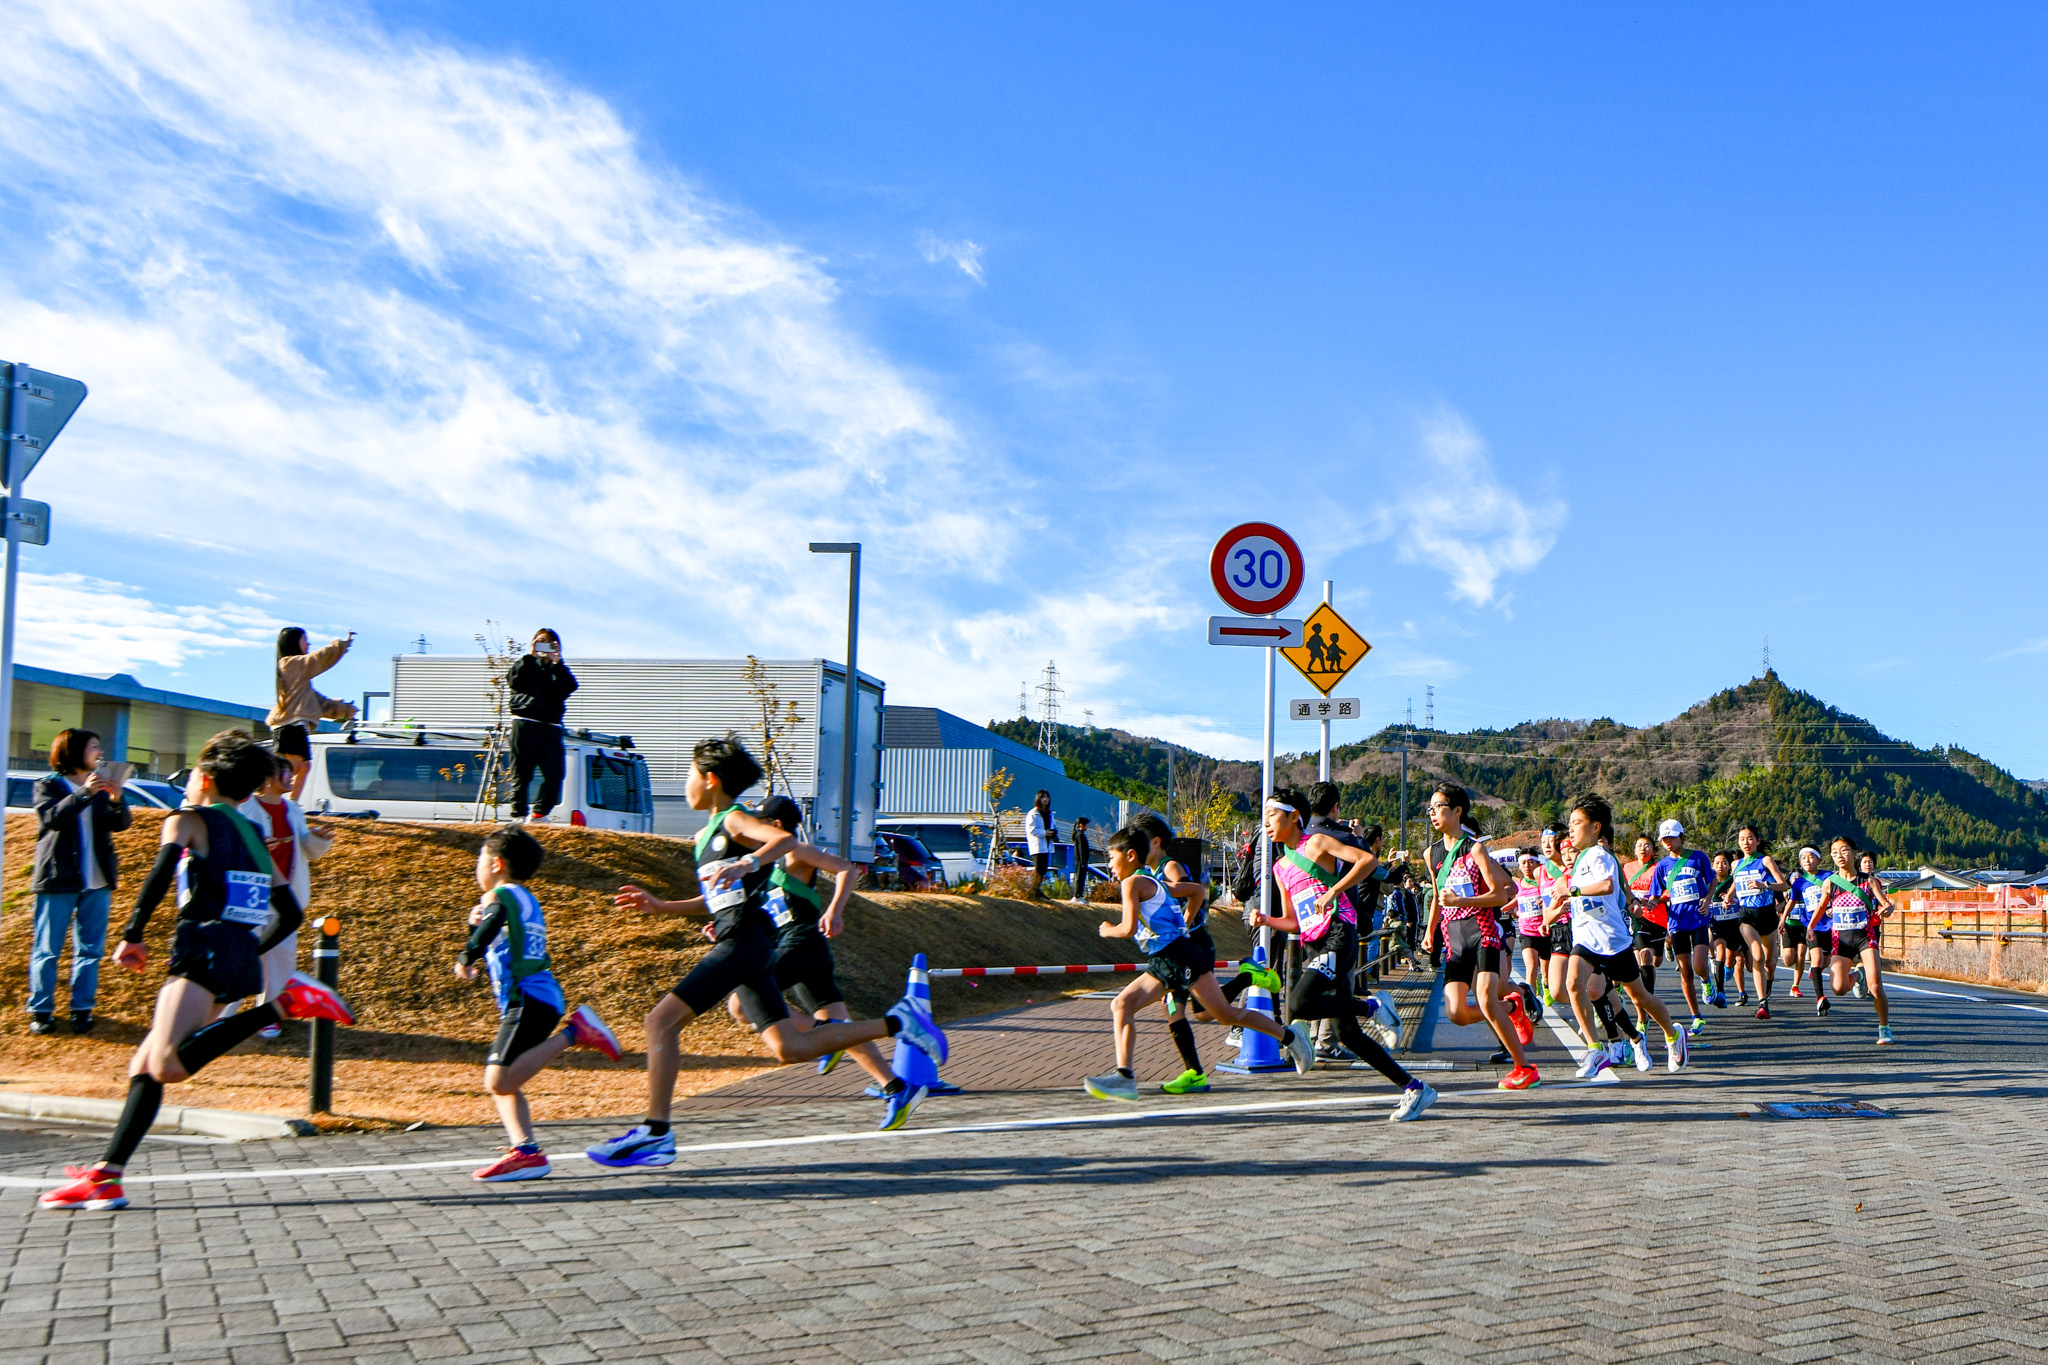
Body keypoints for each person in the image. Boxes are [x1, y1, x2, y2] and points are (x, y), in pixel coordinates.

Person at [37, 730, 357, 1213]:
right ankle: (107, 1176)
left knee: (163, 1064)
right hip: (232, 956)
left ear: (203, 778)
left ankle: (284, 1003)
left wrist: (133, 934)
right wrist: (251, 948)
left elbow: (161, 872)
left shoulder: (187, 819)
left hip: (201, 950)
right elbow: (288, 914)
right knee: (144, 1066)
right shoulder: (252, 833)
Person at [589, 738, 946, 1168]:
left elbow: (781, 841)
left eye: (687, 774)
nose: (684, 784)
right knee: (789, 1049)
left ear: (710, 779)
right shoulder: (703, 836)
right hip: (747, 941)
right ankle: (899, 1021)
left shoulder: (734, 819)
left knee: (660, 1021)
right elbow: (715, 897)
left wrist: (748, 862)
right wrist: (662, 906)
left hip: (746, 942)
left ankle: (656, 1132)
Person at [1083, 825, 1312, 1102]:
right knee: (1122, 1004)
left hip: (1181, 957)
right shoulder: (1153, 880)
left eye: (1110, 857)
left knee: (1224, 1015)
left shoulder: (1134, 882)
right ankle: (1125, 1076)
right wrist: (1183, 923)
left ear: (1130, 855)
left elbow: (1128, 928)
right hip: (1164, 961)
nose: (1108, 864)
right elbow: (1196, 892)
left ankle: (1290, 1037)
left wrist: (1107, 928)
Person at [746, 795, 926, 1130]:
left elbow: (845, 868)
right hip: (802, 950)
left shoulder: (795, 850)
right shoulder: (764, 862)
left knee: (741, 1003)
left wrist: (834, 910)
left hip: (802, 944)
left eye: (761, 821)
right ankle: (897, 1088)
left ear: (778, 825)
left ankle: (822, 1033)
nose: (755, 828)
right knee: (844, 1030)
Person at [455, 825, 621, 1181]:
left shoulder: (498, 897)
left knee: (497, 1081)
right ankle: (526, 1151)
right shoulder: (524, 897)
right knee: (507, 1078)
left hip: (528, 999)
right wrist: (477, 929)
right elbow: (499, 929)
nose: (477, 867)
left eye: (480, 860)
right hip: (538, 998)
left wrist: (467, 954)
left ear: (497, 864)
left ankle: (577, 1032)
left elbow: (494, 921)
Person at [1253, 792, 1428, 1118]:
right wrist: (1266, 920)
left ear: (1293, 817)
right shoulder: (1280, 867)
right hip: (1315, 942)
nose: (1266, 822)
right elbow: (1293, 921)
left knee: (1297, 1003)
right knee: (1348, 1034)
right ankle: (1414, 1088)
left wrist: (1334, 890)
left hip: (1339, 932)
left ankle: (1373, 1005)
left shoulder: (1317, 843)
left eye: (1272, 814)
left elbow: (1368, 861)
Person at [1542, 794, 1687, 1079]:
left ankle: (1673, 1034)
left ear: (1596, 828)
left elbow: (1607, 885)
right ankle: (1596, 1050)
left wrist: (1572, 892)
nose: (1571, 829)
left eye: (1577, 822)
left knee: (1640, 996)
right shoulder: (1579, 860)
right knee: (1573, 984)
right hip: (1586, 941)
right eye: (1570, 823)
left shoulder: (1600, 855)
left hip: (1613, 942)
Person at [1421, 782, 1537, 1090]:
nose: (1433, 813)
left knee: (1486, 999)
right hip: (1453, 939)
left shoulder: (1474, 849)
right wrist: (1429, 931)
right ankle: (1513, 1007)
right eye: (1430, 808)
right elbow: (1436, 895)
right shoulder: (1430, 853)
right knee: (1456, 1012)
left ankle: (1524, 1067)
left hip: (1482, 932)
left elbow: (1499, 895)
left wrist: (1462, 902)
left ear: (1457, 811)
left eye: (1439, 807)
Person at [28, 728, 132, 1036]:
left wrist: (116, 799)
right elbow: (52, 819)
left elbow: (121, 824)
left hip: (97, 879)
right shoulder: (48, 785)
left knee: (90, 949)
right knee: (47, 948)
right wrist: (85, 793)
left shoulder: (101, 785)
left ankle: (82, 1009)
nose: (99, 753)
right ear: (73, 752)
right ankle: (41, 1010)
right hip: (58, 877)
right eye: (93, 747)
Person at [234, 755, 334, 1040]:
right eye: (285, 774)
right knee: (243, 953)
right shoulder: (245, 808)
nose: (291, 779)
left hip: (286, 896)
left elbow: (309, 852)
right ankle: (224, 1014)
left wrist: (318, 839)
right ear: (267, 778)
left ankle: (268, 1017)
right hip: (251, 896)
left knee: (280, 959)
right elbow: (236, 846)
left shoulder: (293, 810)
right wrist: (257, 845)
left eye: (291, 774)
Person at [1814, 836, 1893, 1044]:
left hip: (1865, 937)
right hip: (1841, 940)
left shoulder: (1868, 880)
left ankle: (1884, 1028)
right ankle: (1858, 976)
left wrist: (1887, 909)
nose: (1839, 855)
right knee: (1838, 989)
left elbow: (1886, 904)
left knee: (1876, 986)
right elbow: (1822, 906)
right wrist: (1810, 927)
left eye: (1844, 850)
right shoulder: (1830, 882)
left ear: (1854, 852)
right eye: (1834, 852)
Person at [268, 627, 357, 801]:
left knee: (304, 767)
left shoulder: (300, 679)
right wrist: (341, 644)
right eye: (304, 639)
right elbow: (319, 659)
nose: (308, 643)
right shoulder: (290, 664)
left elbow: (318, 703)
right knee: (294, 767)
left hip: (295, 725)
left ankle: (292, 804)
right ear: (293, 642)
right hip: (289, 725)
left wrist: (345, 710)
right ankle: (269, 797)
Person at [505, 629, 579, 823]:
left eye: (550, 643)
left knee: (555, 773)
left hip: (551, 726)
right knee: (522, 772)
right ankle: (519, 815)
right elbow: (513, 680)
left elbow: (570, 687)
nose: (545, 647)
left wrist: (557, 662)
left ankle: (539, 813)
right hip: (525, 722)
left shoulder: (557, 670)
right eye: (541, 642)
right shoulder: (526, 665)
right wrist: (530, 656)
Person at [1649, 819, 1715, 1034]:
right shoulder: (1662, 866)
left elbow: (1712, 880)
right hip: (1677, 921)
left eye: (1672, 837)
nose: (1668, 842)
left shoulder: (1697, 857)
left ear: (1681, 837)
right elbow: (1656, 894)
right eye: (1664, 839)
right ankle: (1696, 1016)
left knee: (1699, 965)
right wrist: (1651, 902)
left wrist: (1707, 898)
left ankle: (1706, 980)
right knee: (1685, 970)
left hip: (1698, 918)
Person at [1731, 825, 1788, 1019]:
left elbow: (1784, 884)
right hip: (1746, 914)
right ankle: (1762, 1002)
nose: (1745, 843)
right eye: (1742, 839)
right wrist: (1728, 896)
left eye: (1749, 838)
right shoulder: (1736, 864)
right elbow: (1735, 883)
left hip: (1767, 914)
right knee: (1757, 955)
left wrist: (1765, 885)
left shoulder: (1765, 861)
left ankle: (1768, 982)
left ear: (1757, 840)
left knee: (1770, 963)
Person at [1787, 847, 1833, 1011]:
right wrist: (1782, 920)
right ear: (1800, 862)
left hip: (1829, 924)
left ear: (1819, 860)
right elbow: (1791, 901)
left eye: (1811, 857)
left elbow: (1839, 894)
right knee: (1817, 959)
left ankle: (1817, 971)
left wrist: (1833, 906)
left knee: (1825, 961)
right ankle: (1820, 997)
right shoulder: (1799, 882)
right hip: (1811, 926)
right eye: (1804, 858)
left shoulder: (1829, 876)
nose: (1807, 860)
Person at [1623, 834, 1667, 996]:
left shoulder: (1659, 868)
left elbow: (1669, 890)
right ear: (1634, 850)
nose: (1643, 848)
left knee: (1655, 960)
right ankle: (1648, 998)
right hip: (1636, 918)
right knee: (1644, 955)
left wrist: (1657, 900)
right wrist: (1635, 901)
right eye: (1639, 845)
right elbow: (1623, 890)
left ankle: (1646, 987)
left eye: (1647, 845)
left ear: (1654, 850)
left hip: (1658, 919)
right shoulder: (1626, 868)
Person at [1705, 849, 1746, 1009]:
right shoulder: (1708, 882)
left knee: (1730, 960)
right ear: (1713, 865)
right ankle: (1721, 992)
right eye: (1717, 863)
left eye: (1724, 863)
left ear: (1730, 866)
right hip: (1717, 925)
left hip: (1734, 925)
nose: (1720, 866)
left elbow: (1743, 898)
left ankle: (1729, 967)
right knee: (1719, 954)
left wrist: (1732, 899)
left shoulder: (1734, 881)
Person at [1025, 789, 1055, 898]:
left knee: (1044, 869)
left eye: (1047, 797)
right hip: (1037, 844)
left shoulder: (1050, 813)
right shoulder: (1033, 813)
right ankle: (1034, 890)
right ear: (1038, 799)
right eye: (1043, 797)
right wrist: (1044, 833)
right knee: (1038, 869)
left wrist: (1053, 833)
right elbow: (1031, 829)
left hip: (1047, 844)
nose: (1045, 799)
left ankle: (1037, 890)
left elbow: (1053, 826)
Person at [1070, 816, 1094, 902]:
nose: (1087, 826)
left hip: (1080, 860)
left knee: (1081, 878)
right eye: (1086, 825)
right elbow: (1081, 849)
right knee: (1079, 878)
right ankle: (1077, 896)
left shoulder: (1079, 835)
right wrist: (1083, 860)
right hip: (1080, 861)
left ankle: (1078, 895)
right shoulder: (1080, 835)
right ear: (1081, 825)